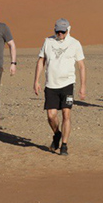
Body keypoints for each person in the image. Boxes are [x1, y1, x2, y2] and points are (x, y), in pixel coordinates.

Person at [33, 18, 86, 156]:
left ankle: (64, 145)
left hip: (67, 84)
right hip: (51, 84)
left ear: (68, 30)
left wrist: (83, 86)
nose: (60, 34)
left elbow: (81, 66)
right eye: (58, 31)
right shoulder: (48, 42)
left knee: (66, 114)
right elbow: (41, 61)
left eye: (63, 31)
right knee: (51, 116)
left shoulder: (75, 43)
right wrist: (36, 81)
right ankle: (57, 134)